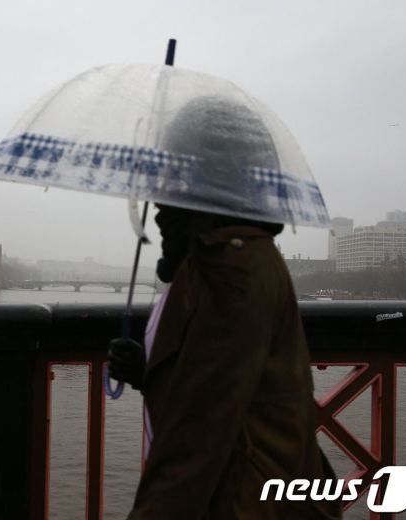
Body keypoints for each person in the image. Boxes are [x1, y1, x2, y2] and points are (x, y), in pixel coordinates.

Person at [108, 96, 343, 519]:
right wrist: (149, 375)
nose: (158, 203)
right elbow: (230, 391)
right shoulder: (222, 262)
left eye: (172, 173)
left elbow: (195, 442)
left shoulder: (231, 274)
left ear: (207, 181)